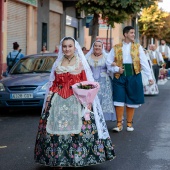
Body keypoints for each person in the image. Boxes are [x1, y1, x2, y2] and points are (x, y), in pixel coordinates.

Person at [34, 37, 116, 168]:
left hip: (76, 100)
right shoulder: (57, 63)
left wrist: (87, 102)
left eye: (69, 46)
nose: (67, 49)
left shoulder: (80, 63)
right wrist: (50, 95)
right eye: (65, 46)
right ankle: (58, 160)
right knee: (55, 130)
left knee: (77, 132)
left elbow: (85, 83)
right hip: (57, 100)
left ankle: (76, 158)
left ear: (75, 47)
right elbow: (53, 83)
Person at [107, 26, 154, 132]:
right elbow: (108, 62)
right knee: (118, 99)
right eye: (131, 33)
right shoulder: (116, 47)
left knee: (132, 99)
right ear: (125, 34)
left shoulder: (138, 47)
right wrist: (115, 68)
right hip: (120, 76)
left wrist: (150, 77)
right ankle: (119, 124)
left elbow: (144, 63)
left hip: (134, 75)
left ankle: (129, 123)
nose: (133, 34)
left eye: (133, 32)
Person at [85, 40, 116, 122]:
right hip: (91, 82)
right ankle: (93, 119)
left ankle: (102, 121)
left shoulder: (106, 57)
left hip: (104, 83)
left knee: (103, 100)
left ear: (102, 47)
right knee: (92, 100)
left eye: (99, 46)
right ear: (93, 47)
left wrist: (113, 64)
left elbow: (111, 67)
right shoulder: (87, 57)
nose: (97, 47)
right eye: (96, 46)